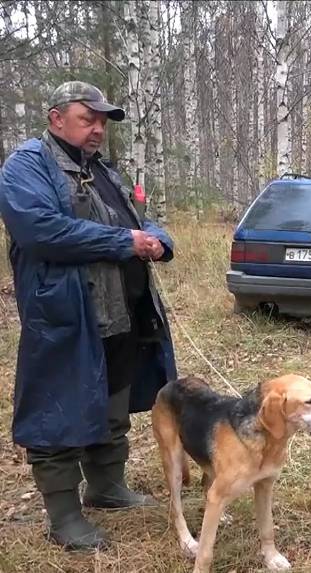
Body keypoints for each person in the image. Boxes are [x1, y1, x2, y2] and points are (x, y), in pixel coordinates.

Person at [0, 81, 178, 550]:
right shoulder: (27, 166)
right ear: (57, 118)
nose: (98, 128)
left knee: (113, 403)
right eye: (88, 118)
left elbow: (138, 217)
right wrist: (125, 243)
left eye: (103, 121)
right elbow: (41, 231)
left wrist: (158, 240)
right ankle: (64, 516)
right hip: (66, 315)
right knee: (56, 413)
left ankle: (106, 487)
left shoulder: (101, 169)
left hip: (122, 311)